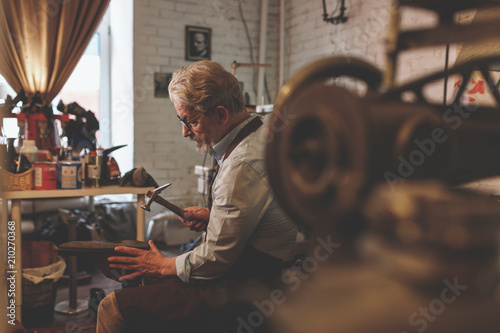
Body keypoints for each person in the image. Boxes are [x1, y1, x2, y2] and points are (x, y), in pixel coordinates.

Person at [96, 60, 297, 332]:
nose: (184, 131)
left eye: (190, 121)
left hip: (249, 285)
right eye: (182, 120)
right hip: (251, 269)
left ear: (221, 115)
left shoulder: (241, 165)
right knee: (145, 283)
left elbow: (215, 258)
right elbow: (258, 213)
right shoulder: (260, 135)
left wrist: (163, 264)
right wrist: (215, 217)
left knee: (111, 307)